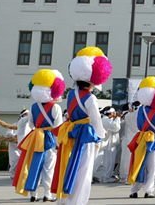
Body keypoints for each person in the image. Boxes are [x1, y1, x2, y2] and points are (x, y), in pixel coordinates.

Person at [51, 46, 112, 205]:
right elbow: (96, 120)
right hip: (85, 136)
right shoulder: (90, 98)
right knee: (83, 172)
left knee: (68, 166)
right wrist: (100, 136)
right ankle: (76, 202)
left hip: (71, 132)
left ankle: (63, 200)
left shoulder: (71, 94)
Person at [13, 68, 65, 202]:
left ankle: (32, 193)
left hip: (35, 137)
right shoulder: (56, 107)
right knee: (49, 167)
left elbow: (30, 124)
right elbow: (57, 127)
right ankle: (47, 194)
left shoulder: (33, 106)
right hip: (49, 139)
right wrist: (58, 142)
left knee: (34, 165)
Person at [127, 77, 155, 199]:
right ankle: (149, 191)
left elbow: (136, 124)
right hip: (152, 139)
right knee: (151, 167)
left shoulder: (140, 109)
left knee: (139, 163)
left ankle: (134, 190)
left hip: (141, 137)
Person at [97, 107, 121, 183]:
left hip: (109, 144)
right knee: (108, 161)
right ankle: (105, 177)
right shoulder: (105, 120)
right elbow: (116, 127)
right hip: (107, 145)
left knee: (108, 161)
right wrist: (117, 118)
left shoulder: (106, 120)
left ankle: (106, 176)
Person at [119, 102, 139, 182]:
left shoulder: (128, 116)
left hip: (128, 139)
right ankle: (128, 176)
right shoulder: (133, 115)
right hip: (132, 139)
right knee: (128, 158)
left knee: (125, 158)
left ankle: (124, 176)